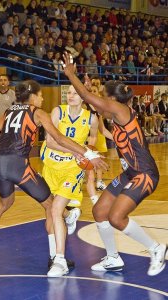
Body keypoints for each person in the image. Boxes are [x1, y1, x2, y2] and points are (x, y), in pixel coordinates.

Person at [0, 80, 105, 265]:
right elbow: (59, 138)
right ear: (33, 96)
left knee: (5, 202)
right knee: (50, 206)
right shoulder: (37, 113)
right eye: (40, 96)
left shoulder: (8, 112)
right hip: (17, 164)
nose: (42, 99)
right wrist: (86, 152)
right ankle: (53, 256)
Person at [62, 53, 167, 277]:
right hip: (131, 173)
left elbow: (91, 100)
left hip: (146, 174)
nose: (101, 99)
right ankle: (113, 258)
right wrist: (89, 88)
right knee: (99, 211)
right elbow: (95, 107)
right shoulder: (113, 114)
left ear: (112, 99)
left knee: (116, 217)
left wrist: (72, 75)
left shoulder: (122, 111)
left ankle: (156, 248)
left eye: (103, 96)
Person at [40, 85, 103, 277]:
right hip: (50, 166)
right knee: (49, 212)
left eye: (75, 93)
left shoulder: (91, 118)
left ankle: (60, 260)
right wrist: (80, 152)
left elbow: (93, 137)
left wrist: (87, 150)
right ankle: (68, 219)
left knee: (55, 209)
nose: (71, 96)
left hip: (72, 170)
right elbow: (50, 141)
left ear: (83, 97)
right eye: (68, 93)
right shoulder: (58, 112)